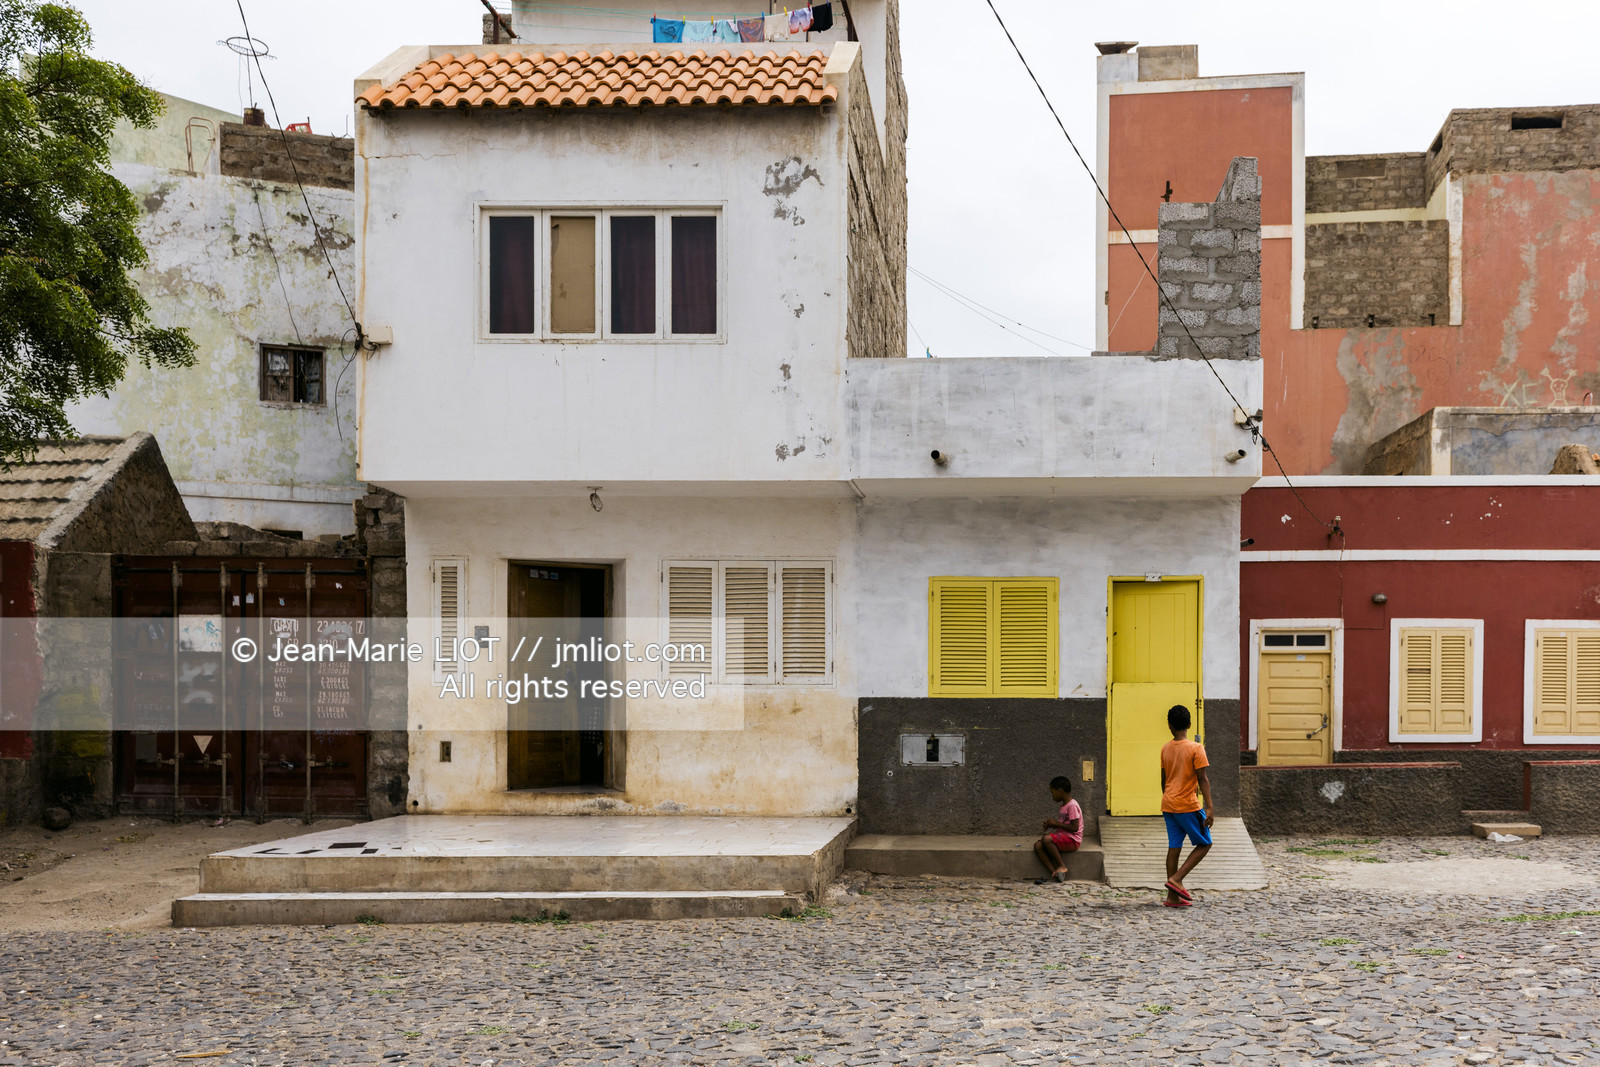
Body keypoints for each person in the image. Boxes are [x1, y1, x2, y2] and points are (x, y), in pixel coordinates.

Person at [1160, 704, 1212, 908]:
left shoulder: (1165, 748)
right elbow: (1203, 780)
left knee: (1174, 846)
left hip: (1168, 804)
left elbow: (1163, 780)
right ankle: (1177, 879)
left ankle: (1172, 897)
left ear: (1169, 725)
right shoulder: (1196, 748)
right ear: (1189, 724)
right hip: (1188, 805)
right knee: (1205, 843)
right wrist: (1210, 808)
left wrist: (1168, 797)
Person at [1032, 775, 1083, 884]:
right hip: (1064, 837)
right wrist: (1053, 824)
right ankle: (1055, 872)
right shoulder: (1064, 806)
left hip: (1073, 840)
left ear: (1060, 790)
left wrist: (1057, 823)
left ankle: (1062, 866)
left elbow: (1075, 827)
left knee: (1046, 839)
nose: (1052, 796)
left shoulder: (1072, 805)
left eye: (1053, 792)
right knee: (1037, 846)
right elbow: (1064, 824)